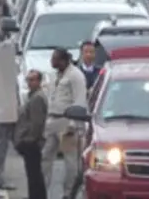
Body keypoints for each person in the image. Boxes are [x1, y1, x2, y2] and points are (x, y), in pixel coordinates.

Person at [42, 48, 88, 196]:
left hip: (67, 122)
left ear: (63, 60)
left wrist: (74, 124)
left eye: (55, 59)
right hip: (53, 120)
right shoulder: (56, 75)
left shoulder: (75, 76)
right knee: (45, 156)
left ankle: (69, 192)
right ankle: (42, 189)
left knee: (70, 161)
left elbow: (80, 99)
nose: (52, 61)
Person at [13, 70, 48, 199]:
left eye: (33, 80)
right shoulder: (31, 96)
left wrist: (29, 140)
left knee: (34, 174)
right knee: (33, 173)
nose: (30, 83)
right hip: (30, 141)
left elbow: (37, 123)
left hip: (32, 143)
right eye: (28, 80)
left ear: (39, 81)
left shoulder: (37, 98)